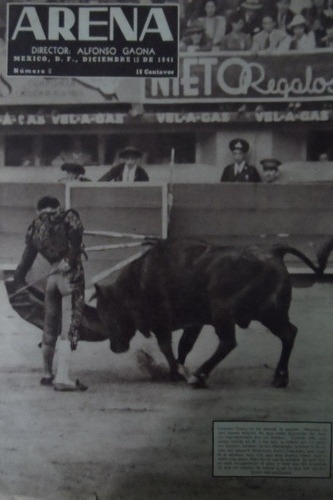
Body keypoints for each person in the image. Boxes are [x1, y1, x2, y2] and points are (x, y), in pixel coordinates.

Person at [14, 196, 87, 392]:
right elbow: (76, 244)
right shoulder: (68, 218)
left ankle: (47, 374)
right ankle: (62, 377)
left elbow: (27, 258)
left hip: (52, 279)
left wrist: (18, 278)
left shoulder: (36, 225)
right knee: (69, 326)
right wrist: (70, 261)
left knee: (49, 327)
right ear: (57, 207)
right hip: (70, 278)